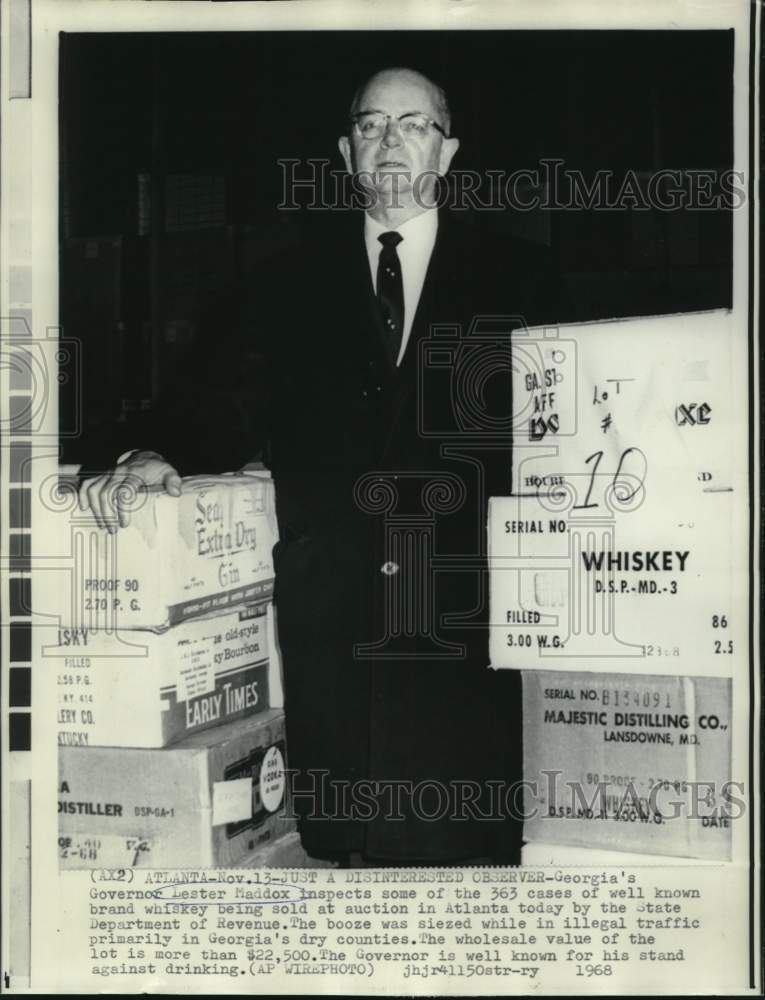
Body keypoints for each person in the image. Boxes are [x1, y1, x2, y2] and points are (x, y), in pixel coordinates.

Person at [79, 67, 561, 865]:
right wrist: (160, 453)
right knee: (341, 855)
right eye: (371, 126)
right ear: (346, 152)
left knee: (467, 863)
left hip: (463, 632)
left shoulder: (523, 281)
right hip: (332, 623)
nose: (391, 141)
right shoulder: (283, 287)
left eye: (413, 124)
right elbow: (218, 404)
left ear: (447, 153)